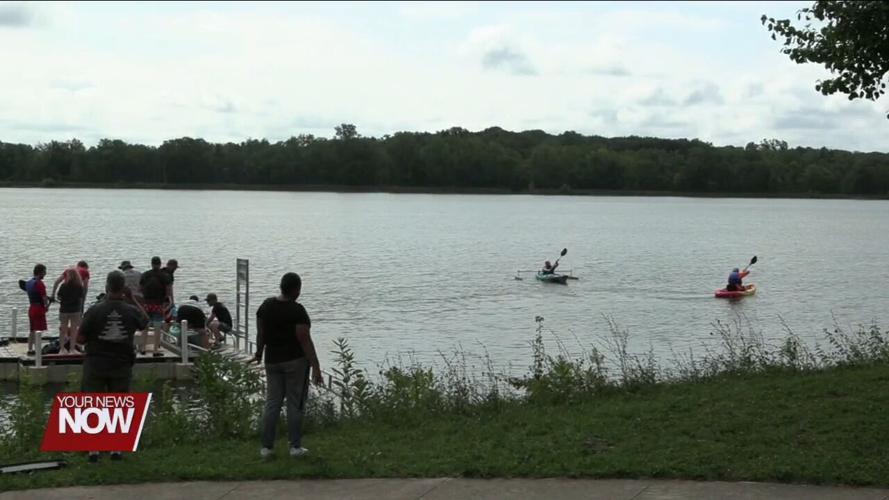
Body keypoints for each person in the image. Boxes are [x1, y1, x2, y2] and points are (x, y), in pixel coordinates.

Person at [77, 270, 148, 463]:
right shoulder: (131, 310)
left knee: (93, 405)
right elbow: (145, 322)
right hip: (121, 363)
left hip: (95, 364)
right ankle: (116, 449)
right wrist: (132, 299)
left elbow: (80, 338)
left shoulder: (94, 310)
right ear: (123, 288)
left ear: (106, 287)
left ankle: (94, 450)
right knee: (118, 405)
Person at [254, 272, 323, 459]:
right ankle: (295, 447)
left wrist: (259, 353)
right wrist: (315, 366)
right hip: (295, 362)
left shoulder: (266, 306)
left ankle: (266, 448)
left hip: (272, 361)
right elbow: (304, 339)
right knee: (295, 403)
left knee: (272, 403)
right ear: (296, 289)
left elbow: (261, 333)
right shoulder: (297, 311)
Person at [139, 257, 172, 355]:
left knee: (145, 326)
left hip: (146, 304)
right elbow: (168, 291)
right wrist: (166, 301)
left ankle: (143, 348)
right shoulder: (164, 276)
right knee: (157, 327)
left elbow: (140, 288)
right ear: (160, 264)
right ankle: (155, 350)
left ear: (151, 264)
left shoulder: (145, 275)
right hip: (158, 304)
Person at [57, 268, 85, 354]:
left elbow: (59, 296)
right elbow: (81, 297)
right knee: (74, 330)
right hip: (75, 310)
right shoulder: (79, 286)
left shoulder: (63, 285)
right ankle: (72, 349)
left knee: (63, 330)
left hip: (64, 310)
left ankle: (62, 349)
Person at [24, 264, 49, 356]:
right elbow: (44, 298)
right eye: (44, 272)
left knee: (32, 330)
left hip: (31, 308)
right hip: (38, 309)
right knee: (38, 331)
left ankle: (30, 349)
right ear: (40, 272)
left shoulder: (29, 282)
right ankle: (38, 351)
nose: (45, 274)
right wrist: (46, 306)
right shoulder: (40, 283)